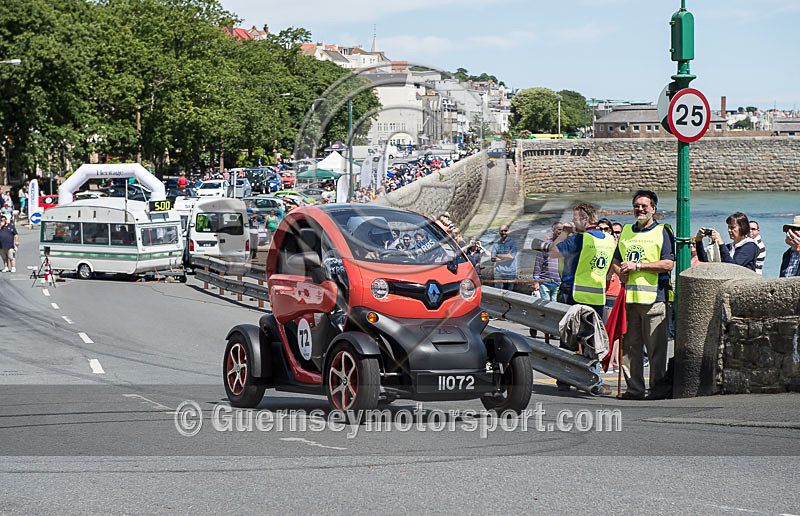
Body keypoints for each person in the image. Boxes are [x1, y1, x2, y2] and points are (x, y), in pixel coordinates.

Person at [546, 203, 615, 395]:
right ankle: (594, 380)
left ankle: (564, 379)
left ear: (585, 219)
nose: (572, 221)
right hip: (597, 295)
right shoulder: (610, 239)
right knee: (594, 341)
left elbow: (553, 252)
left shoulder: (578, 239)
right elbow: (610, 268)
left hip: (573, 292)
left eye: (575, 218)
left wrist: (564, 233)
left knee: (568, 337)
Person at [612, 190, 675, 401]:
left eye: (644, 206)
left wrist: (637, 266)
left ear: (653, 209)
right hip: (630, 300)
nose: (640, 209)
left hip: (655, 300)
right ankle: (634, 390)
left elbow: (668, 264)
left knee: (656, 351)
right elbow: (616, 260)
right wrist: (619, 272)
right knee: (630, 350)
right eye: (637, 206)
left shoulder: (663, 231)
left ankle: (657, 390)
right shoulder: (626, 231)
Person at [532, 222, 562, 303]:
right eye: (559, 229)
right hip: (545, 283)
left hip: (558, 284)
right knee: (547, 306)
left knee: (555, 307)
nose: (561, 232)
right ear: (553, 231)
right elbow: (538, 265)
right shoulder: (544, 245)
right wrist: (535, 281)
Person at [490, 224, 517, 291]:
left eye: (505, 230)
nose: (503, 232)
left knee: (509, 293)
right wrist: (506, 256)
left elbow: (511, 257)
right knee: (497, 293)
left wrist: (498, 255)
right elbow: (493, 259)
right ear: (499, 232)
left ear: (508, 231)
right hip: (499, 273)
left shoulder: (513, 243)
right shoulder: (496, 245)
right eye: (501, 231)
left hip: (510, 272)